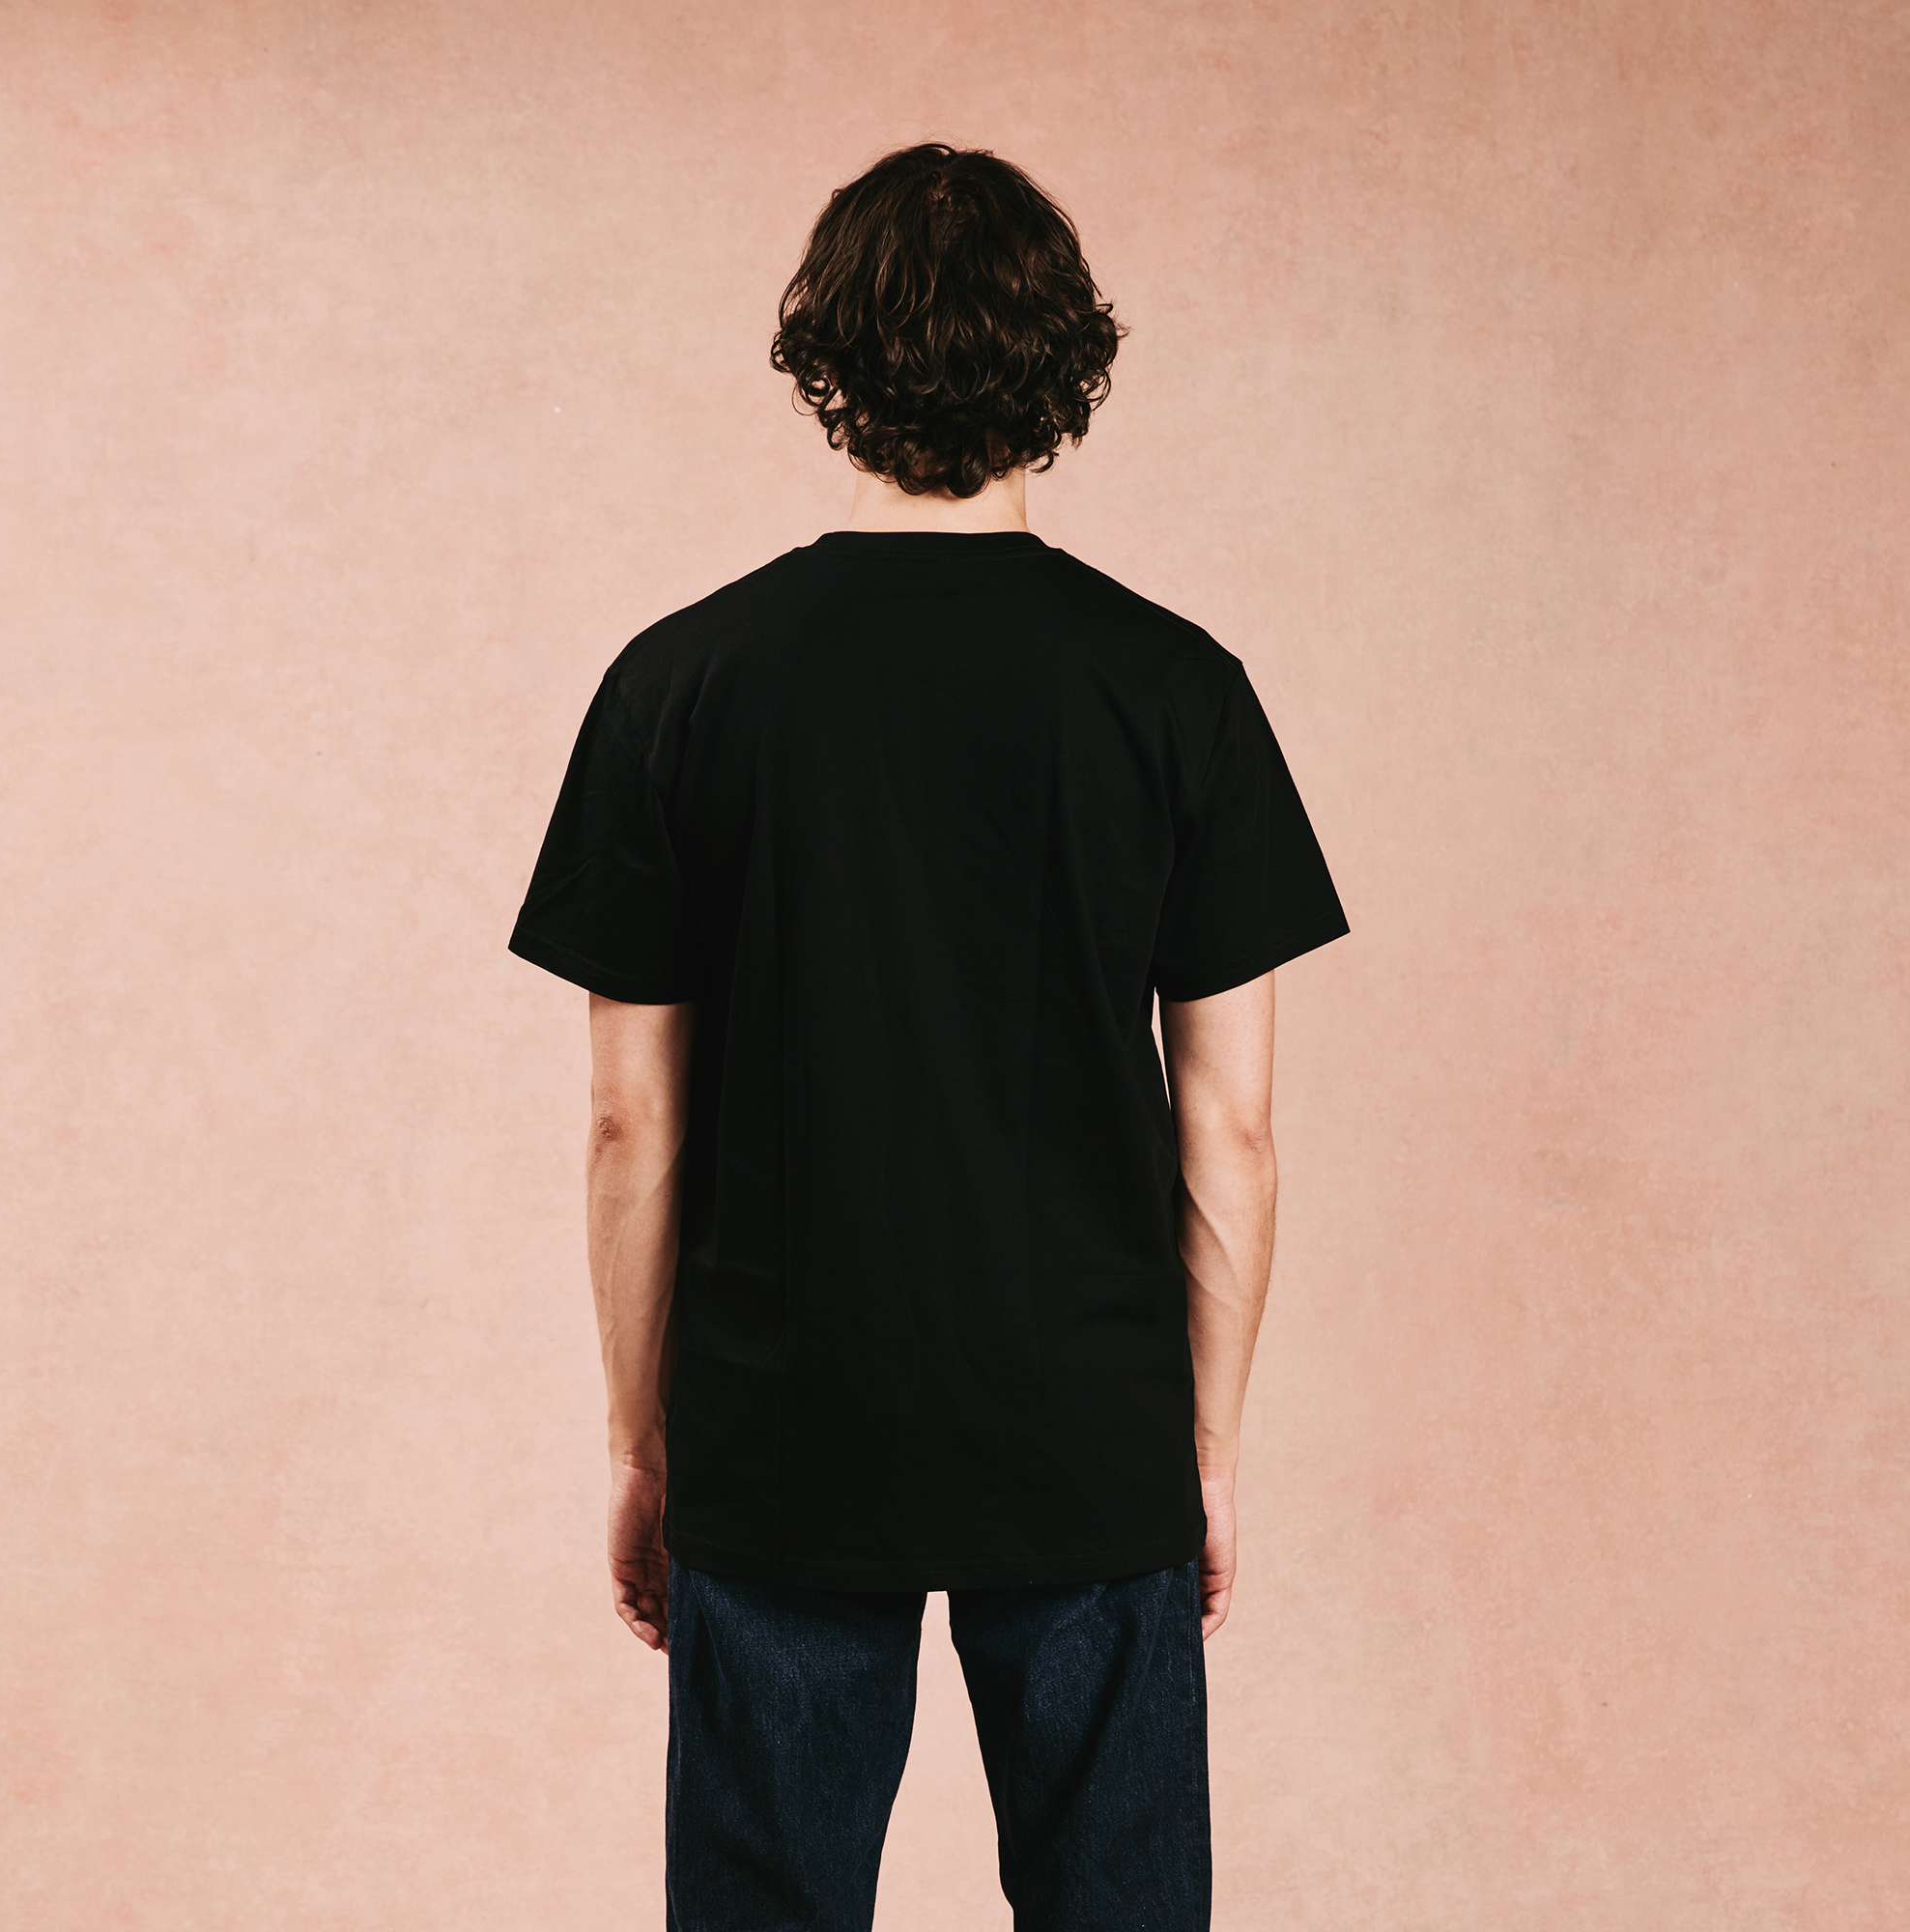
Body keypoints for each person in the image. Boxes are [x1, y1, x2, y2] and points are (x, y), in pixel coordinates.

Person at [508, 141, 1349, 1932]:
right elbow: (1232, 1129)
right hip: (1089, 1428)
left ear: (828, 361)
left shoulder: (681, 683)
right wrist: (1199, 1454)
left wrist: (642, 1444)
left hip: (782, 1428)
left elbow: (631, 1124)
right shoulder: (1176, 691)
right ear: (1064, 364)